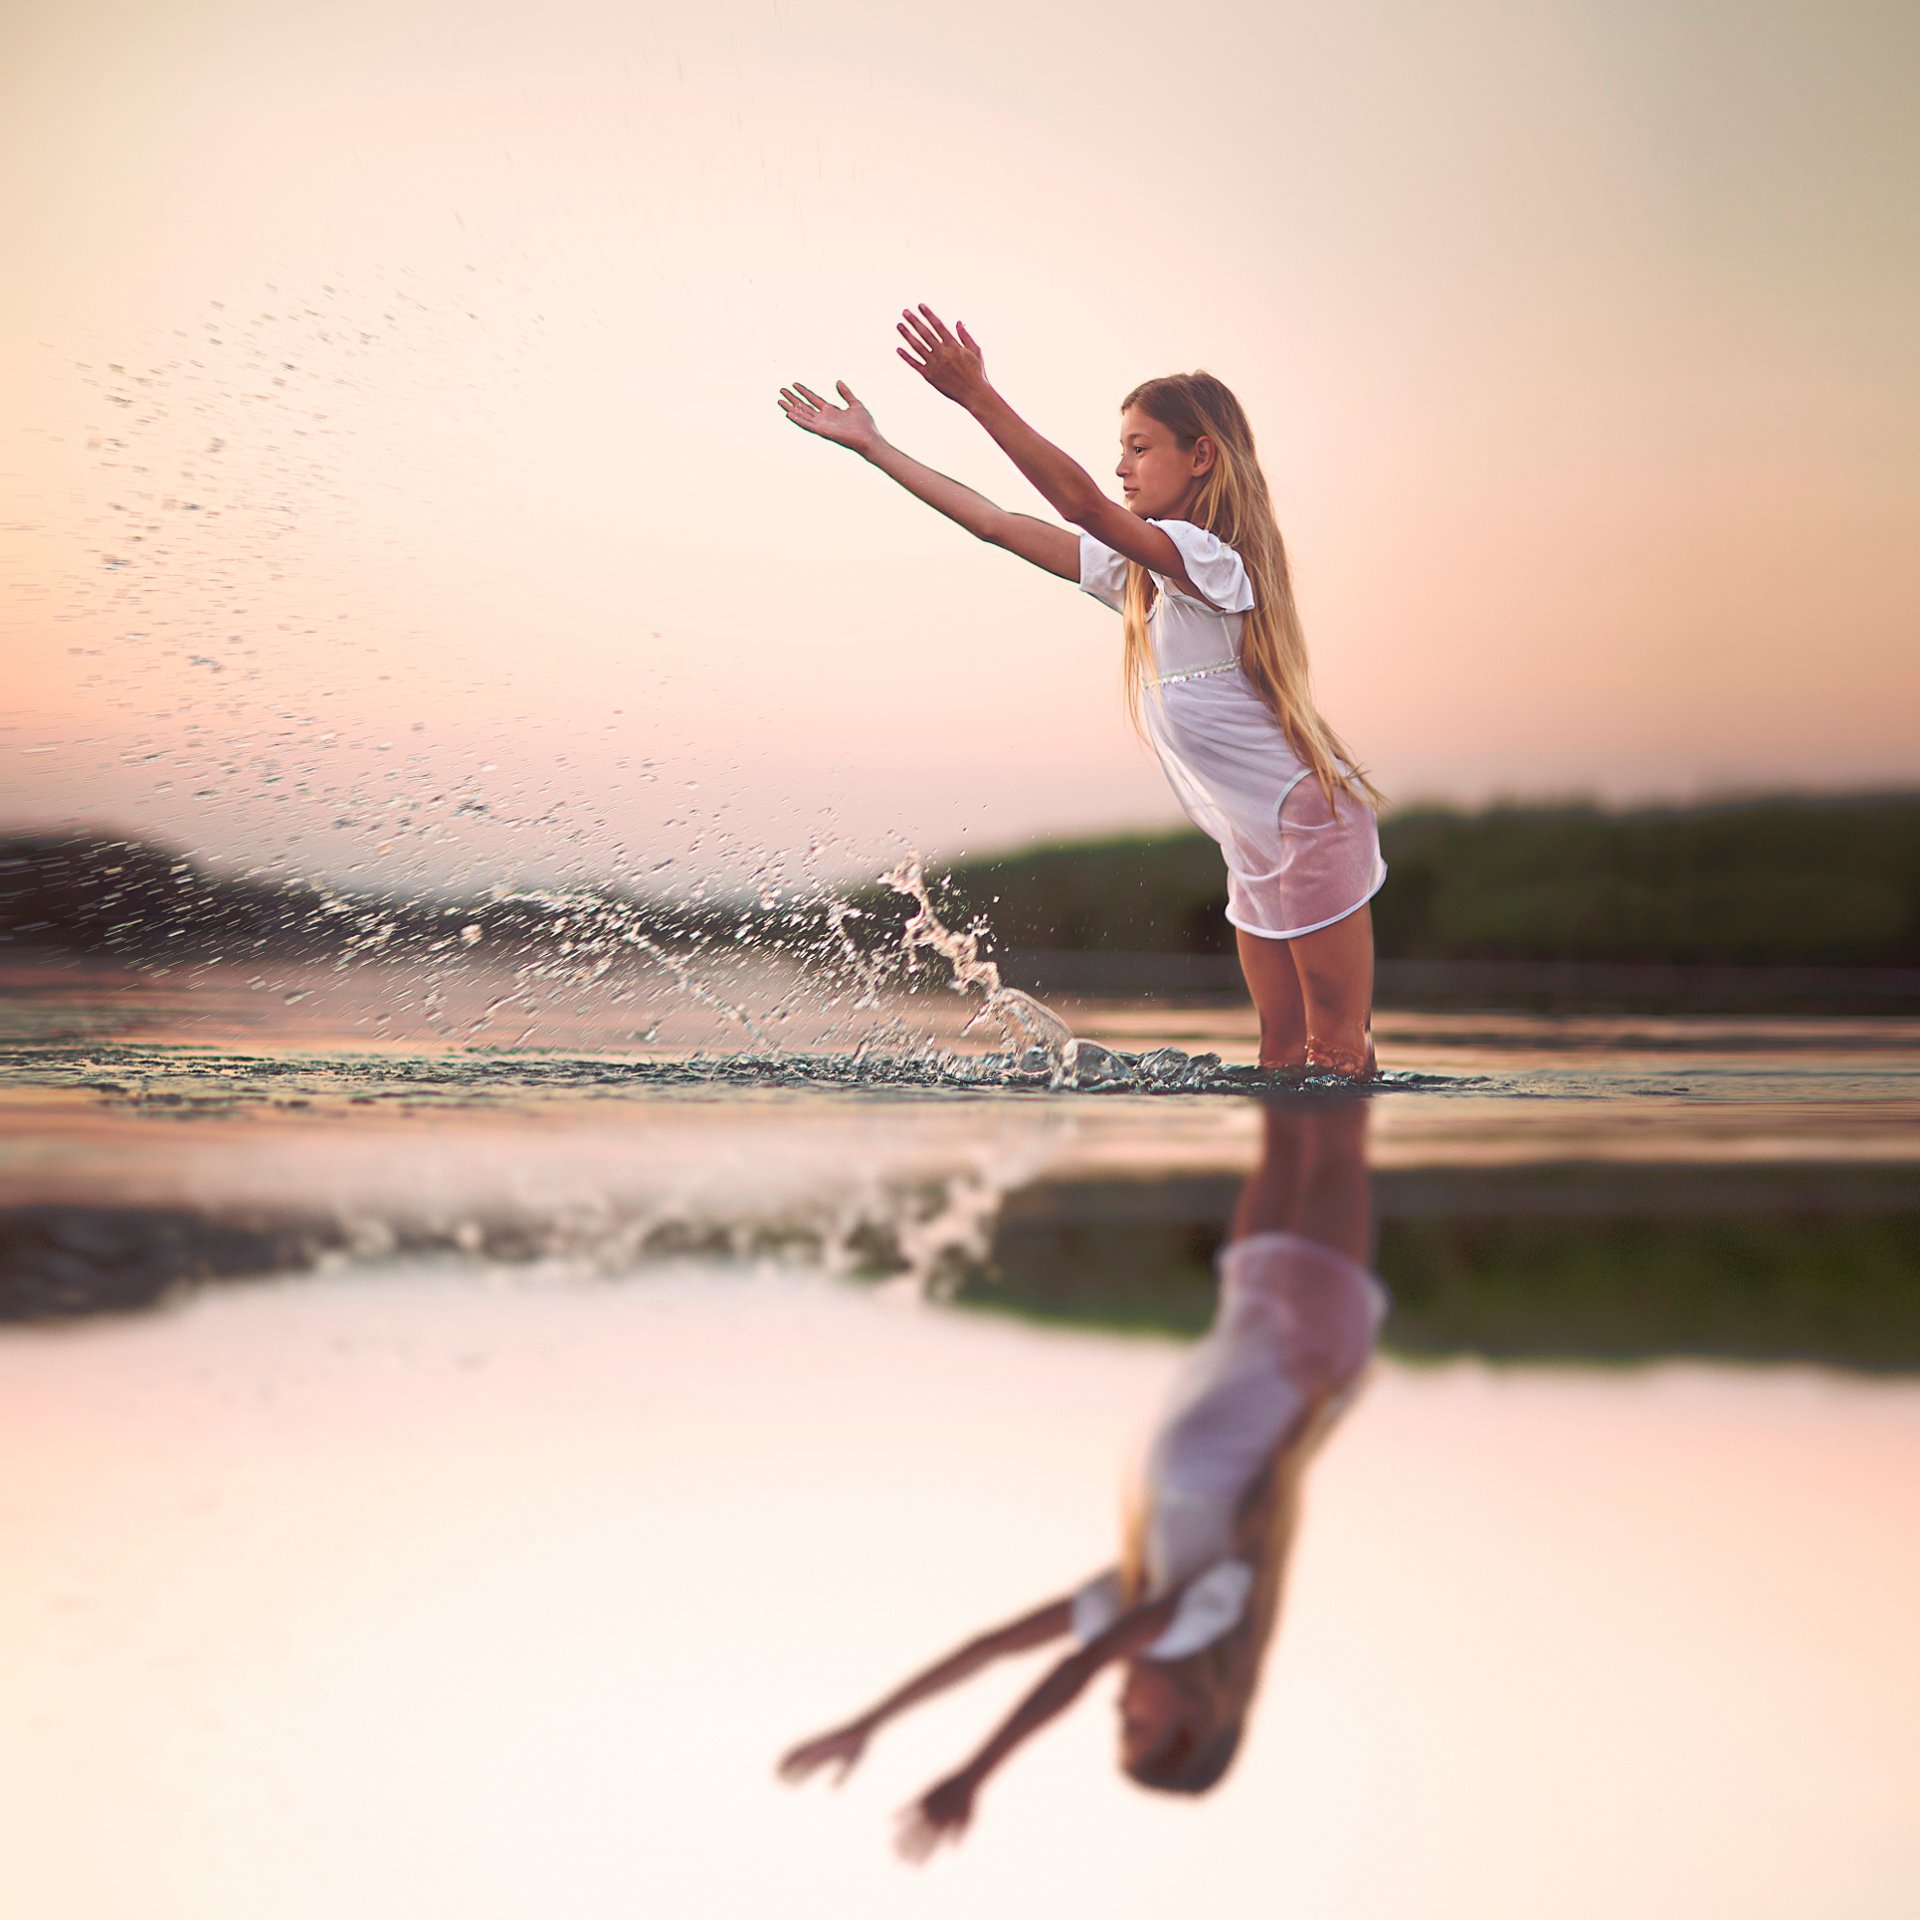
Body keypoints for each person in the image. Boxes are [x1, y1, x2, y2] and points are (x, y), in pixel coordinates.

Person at [777, 306, 1386, 1077]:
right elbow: (997, 524)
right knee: (1278, 1058)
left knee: (1334, 1054)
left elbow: (1082, 505)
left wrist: (977, 397)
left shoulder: (1213, 561)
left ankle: (1343, 1190)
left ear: (1201, 457)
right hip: (1253, 841)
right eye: (1119, 450)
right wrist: (875, 447)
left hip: (1310, 826)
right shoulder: (1143, 579)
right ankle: (1272, 1200)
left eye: (1139, 448)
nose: (1123, 467)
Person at [776, 1098, 1386, 1860]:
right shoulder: (1199, 1614)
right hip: (1308, 1352)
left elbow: (990, 1647)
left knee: (1288, 1112)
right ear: (1192, 1722)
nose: (1117, 1706)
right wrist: (974, 1775)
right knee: (1332, 1127)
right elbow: (1075, 1667)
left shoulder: (1142, 1591)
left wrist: (868, 1723)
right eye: (1135, 1725)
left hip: (1255, 1316)